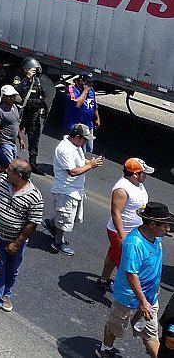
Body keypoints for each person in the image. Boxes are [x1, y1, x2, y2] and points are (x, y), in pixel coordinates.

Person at [96, 202, 171, 358]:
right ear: (152, 225)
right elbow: (131, 274)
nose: (168, 229)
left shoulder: (157, 239)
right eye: (165, 225)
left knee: (150, 334)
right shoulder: (134, 243)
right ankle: (105, 349)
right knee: (115, 326)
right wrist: (142, 301)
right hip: (128, 297)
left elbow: (154, 263)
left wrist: (155, 285)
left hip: (149, 297)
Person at [0, 160, 43, 315]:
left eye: (10, 169)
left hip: (16, 241)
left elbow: (32, 223)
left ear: (18, 175)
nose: (6, 170)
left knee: (12, 270)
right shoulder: (2, 180)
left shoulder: (35, 196)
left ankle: (5, 294)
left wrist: (16, 243)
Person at [46, 123, 104, 256]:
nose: (86, 142)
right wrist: (91, 166)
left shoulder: (76, 146)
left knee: (69, 215)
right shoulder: (64, 149)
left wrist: (92, 162)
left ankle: (51, 223)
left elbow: (80, 160)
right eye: (85, 139)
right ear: (77, 137)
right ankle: (58, 242)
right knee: (65, 217)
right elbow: (72, 171)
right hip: (65, 190)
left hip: (75, 189)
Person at [99, 158, 153, 292]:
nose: (146, 175)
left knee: (113, 254)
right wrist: (123, 238)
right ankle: (124, 293)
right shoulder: (122, 190)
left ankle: (103, 280)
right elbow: (115, 213)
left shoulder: (138, 184)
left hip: (133, 232)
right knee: (126, 266)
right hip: (121, 233)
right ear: (135, 174)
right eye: (144, 173)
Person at [12, 57, 48, 175]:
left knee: (34, 139)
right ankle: (7, 157)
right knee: (12, 134)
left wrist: (42, 107)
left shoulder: (37, 81)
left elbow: (42, 95)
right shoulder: (19, 78)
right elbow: (16, 90)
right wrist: (27, 79)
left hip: (33, 114)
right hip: (21, 112)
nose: (34, 72)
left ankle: (33, 163)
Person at [64, 72, 101, 153]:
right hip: (75, 126)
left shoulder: (91, 90)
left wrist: (97, 118)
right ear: (81, 81)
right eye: (88, 82)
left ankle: (81, 159)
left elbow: (94, 104)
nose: (91, 84)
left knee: (89, 148)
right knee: (76, 150)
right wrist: (85, 91)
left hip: (88, 125)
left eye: (91, 82)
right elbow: (77, 104)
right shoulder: (71, 89)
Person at [0, 85, 25, 165]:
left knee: (12, 165)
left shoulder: (14, 107)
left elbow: (16, 124)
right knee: (10, 166)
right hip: (5, 143)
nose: (12, 98)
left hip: (13, 143)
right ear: (3, 96)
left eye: (13, 96)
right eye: (9, 96)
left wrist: (21, 139)